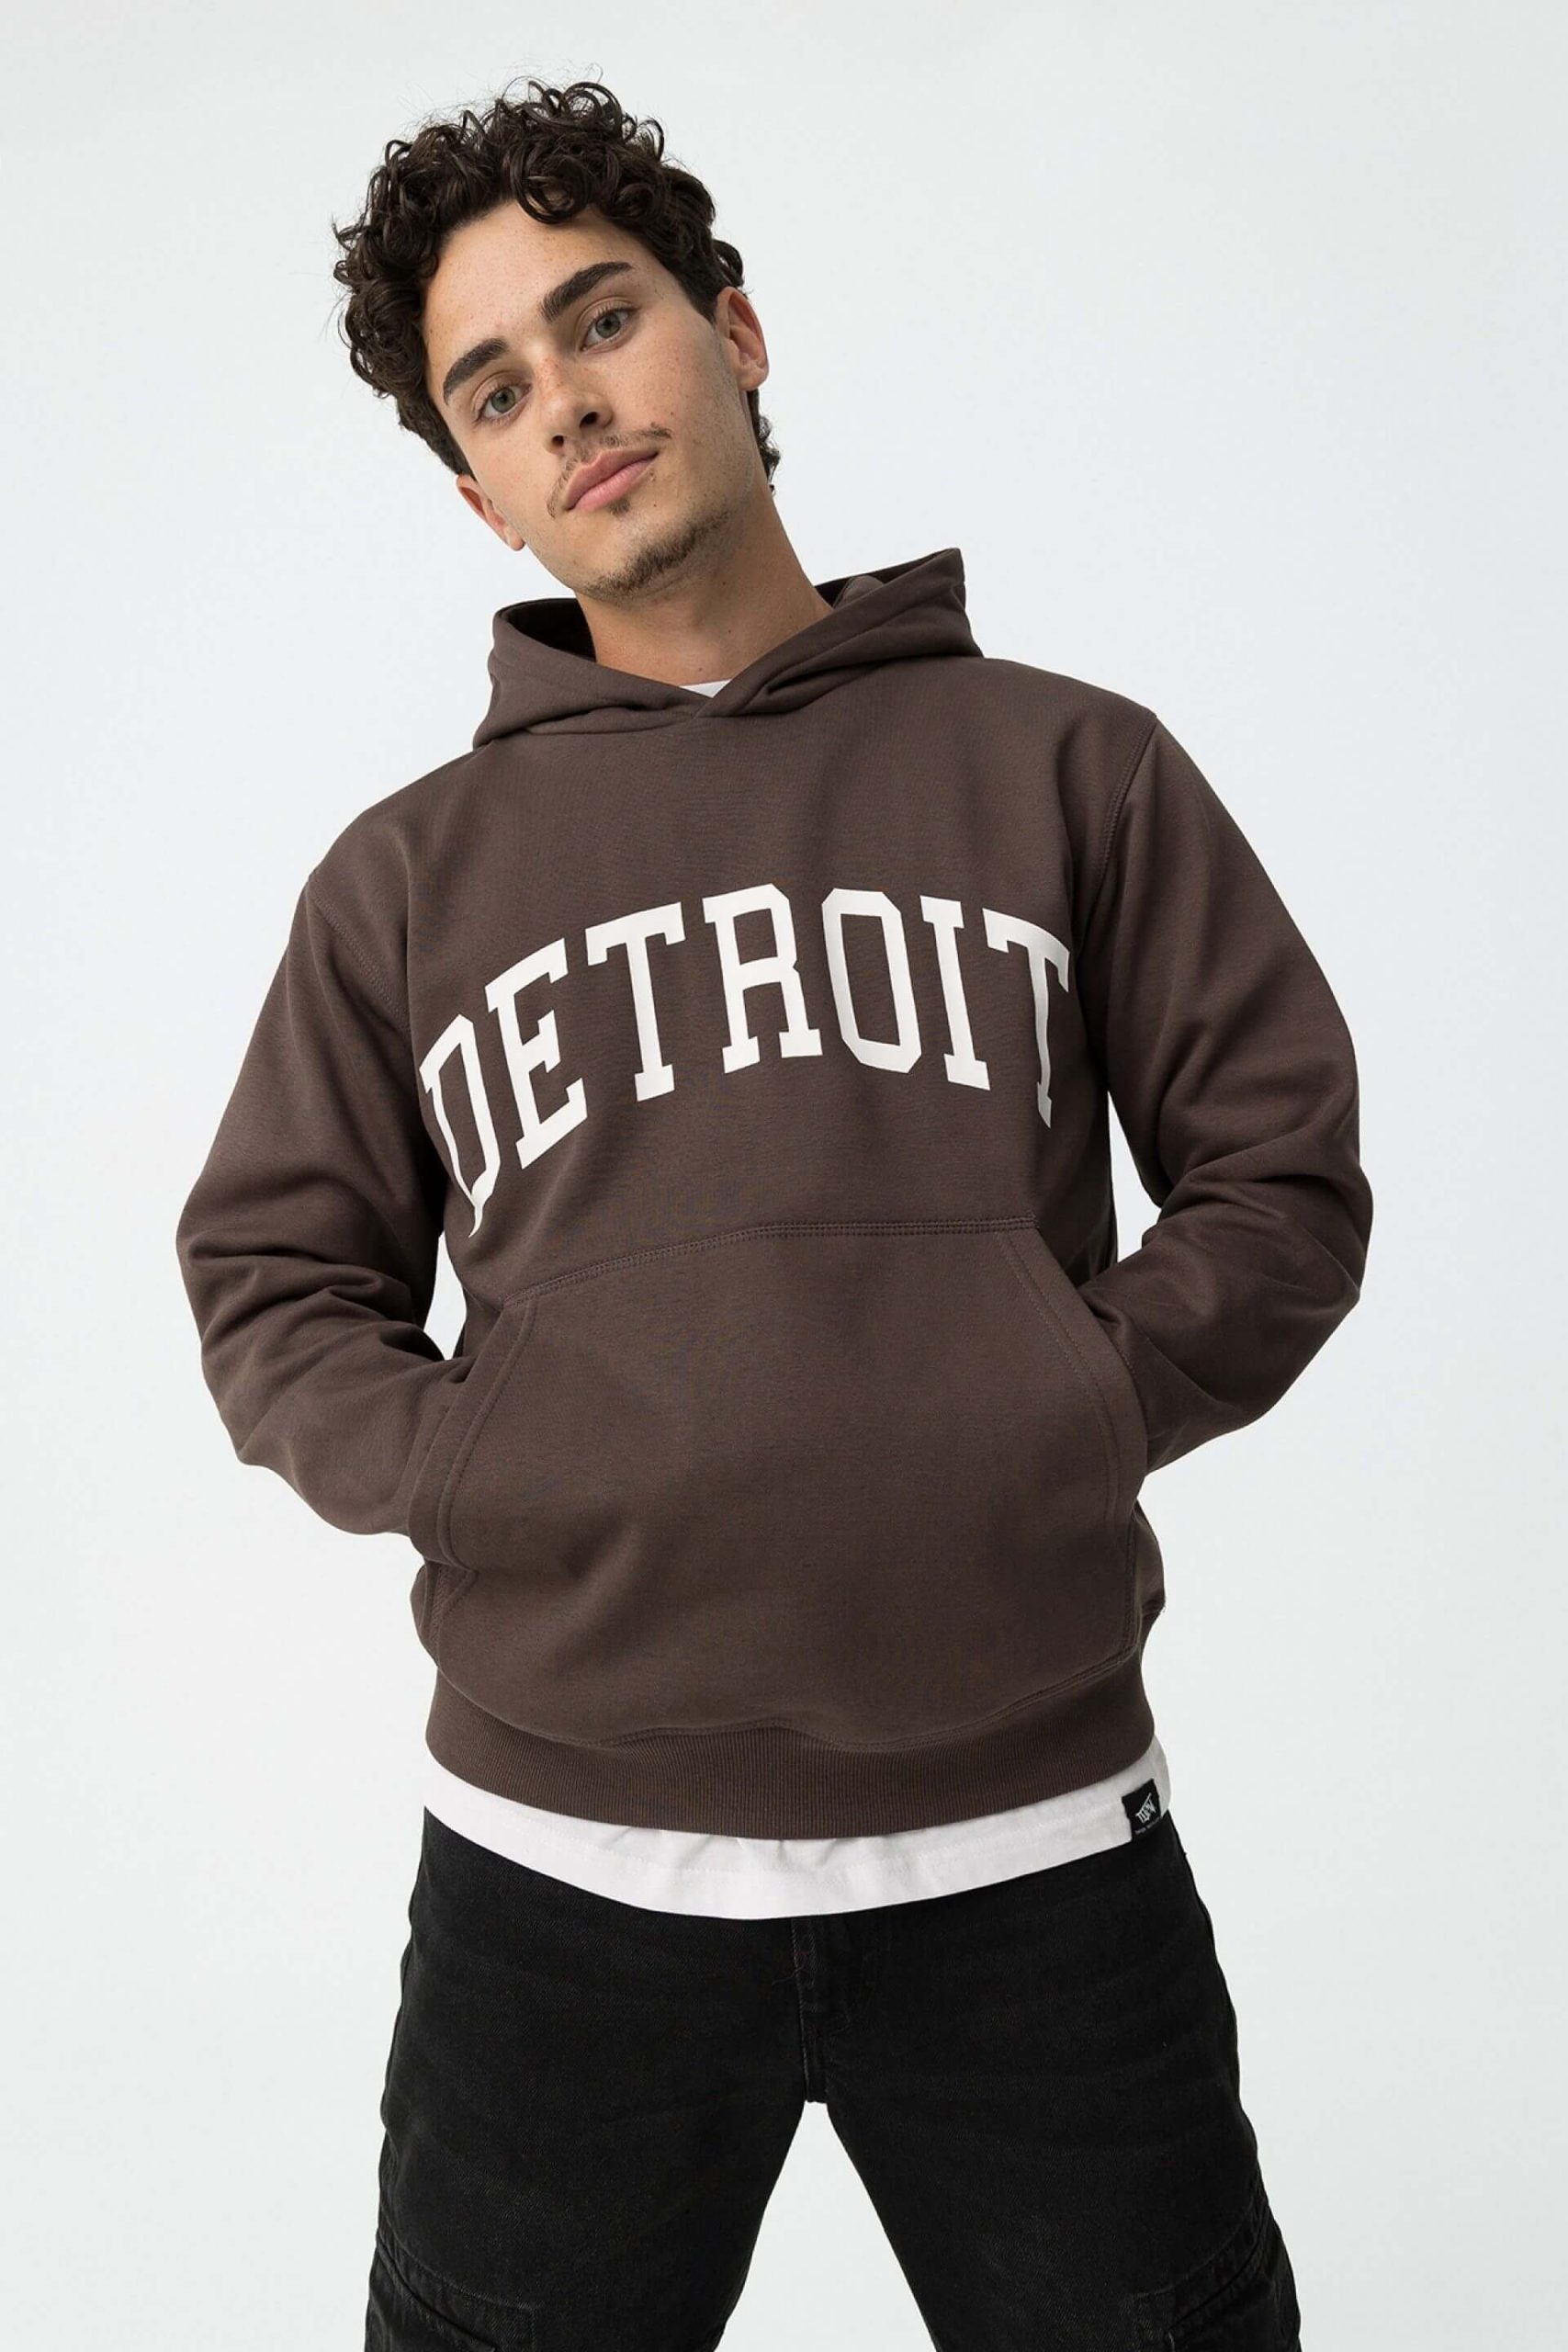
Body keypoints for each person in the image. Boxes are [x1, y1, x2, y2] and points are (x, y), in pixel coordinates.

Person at [175, 74, 1368, 2348]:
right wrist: (480, 1460)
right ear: (476, 489)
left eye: (600, 317)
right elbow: (270, 1276)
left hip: (1034, 1855)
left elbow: (1279, 1174)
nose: (566, 402)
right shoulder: (403, 881)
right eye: (493, 389)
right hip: (556, 1885)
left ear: (730, 330)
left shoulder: (1067, 763)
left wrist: (1059, 1393)